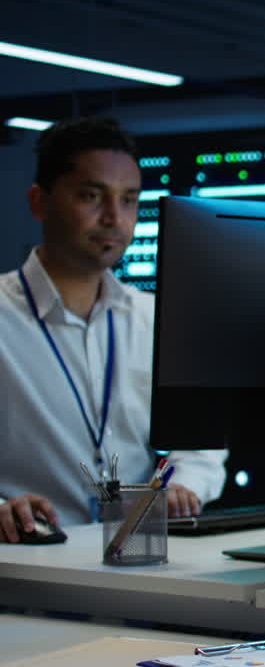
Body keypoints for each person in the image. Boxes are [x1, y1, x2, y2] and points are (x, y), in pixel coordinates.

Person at [0, 117, 227, 543]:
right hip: (26, 562)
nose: (114, 219)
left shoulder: (158, 319)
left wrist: (182, 487)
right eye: (91, 196)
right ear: (39, 202)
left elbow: (200, 447)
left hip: (142, 560)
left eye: (129, 200)